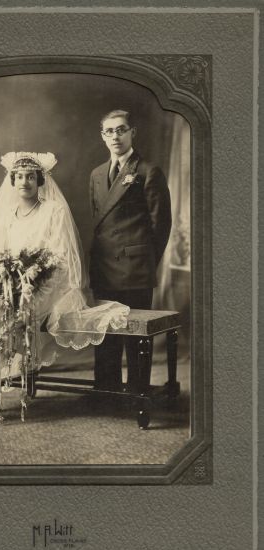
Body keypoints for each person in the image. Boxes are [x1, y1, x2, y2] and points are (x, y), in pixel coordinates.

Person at [0, 152, 129, 425]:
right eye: (19, 177)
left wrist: (30, 279)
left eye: (30, 177)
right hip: (9, 286)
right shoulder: (6, 215)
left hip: (47, 288)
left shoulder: (54, 211)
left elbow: (62, 258)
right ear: (12, 182)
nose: (24, 182)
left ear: (39, 181)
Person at [89, 110, 172, 393]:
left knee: (135, 337)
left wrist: (145, 261)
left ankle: (138, 394)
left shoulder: (148, 170)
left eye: (121, 130)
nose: (115, 136)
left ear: (132, 133)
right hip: (103, 268)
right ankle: (106, 392)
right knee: (105, 335)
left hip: (134, 269)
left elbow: (161, 225)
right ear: (103, 136)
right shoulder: (97, 174)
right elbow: (98, 224)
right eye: (109, 131)